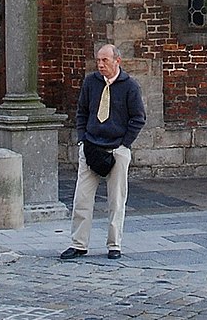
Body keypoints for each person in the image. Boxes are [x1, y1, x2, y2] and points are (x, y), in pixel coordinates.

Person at [59, 43, 145, 261]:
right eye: (98, 60)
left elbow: (138, 118)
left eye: (105, 60)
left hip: (117, 149)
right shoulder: (91, 82)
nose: (100, 65)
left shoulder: (130, 86)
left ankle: (114, 244)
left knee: (116, 200)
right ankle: (79, 244)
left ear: (117, 61)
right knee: (82, 199)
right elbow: (82, 112)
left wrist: (124, 144)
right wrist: (82, 140)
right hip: (91, 146)